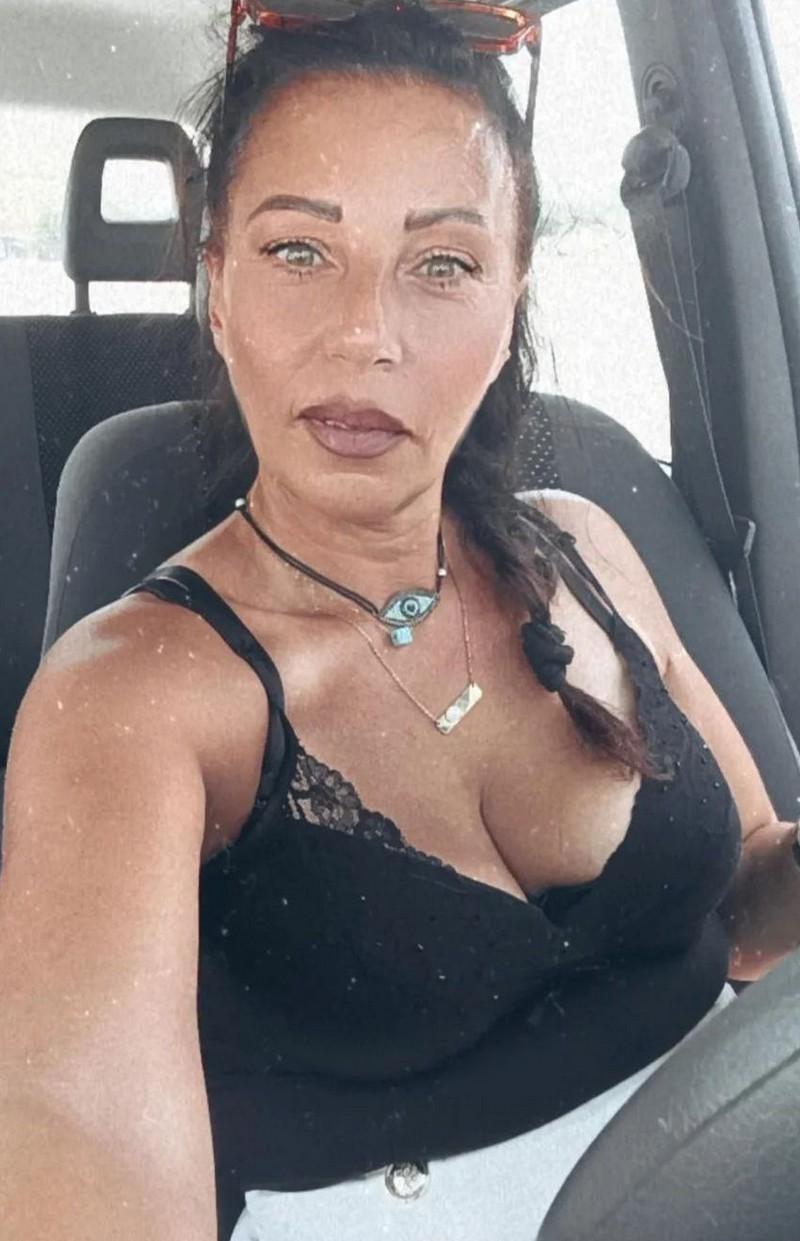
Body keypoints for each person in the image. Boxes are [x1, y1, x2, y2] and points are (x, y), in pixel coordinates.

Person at [3, 2, 800, 1239]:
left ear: (511, 293)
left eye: (441, 264)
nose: (365, 333)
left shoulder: (583, 543)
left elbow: (749, 897)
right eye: (298, 250)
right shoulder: (129, 698)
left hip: (734, 1162)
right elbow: (81, 1155)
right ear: (216, 287)